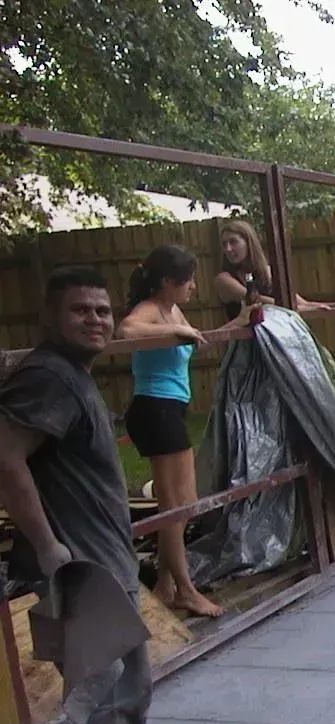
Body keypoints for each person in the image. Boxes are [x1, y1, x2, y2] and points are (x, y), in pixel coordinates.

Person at [0, 266, 167, 724]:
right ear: (49, 316)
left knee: (115, 676)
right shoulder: (50, 377)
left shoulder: (69, 373)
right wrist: (50, 548)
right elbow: (5, 458)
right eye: (79, 310)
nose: (95, 319)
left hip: (99, 553)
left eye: (102, 310)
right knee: (110, 679)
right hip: (83, 563)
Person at [117, 244, 247, 618]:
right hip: (154, 409)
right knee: (176, 506)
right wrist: (174, 328)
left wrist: (237, 325)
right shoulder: (150, 310)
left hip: (171, 409)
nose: (193, 287)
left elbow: (197, 340)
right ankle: (185, 591)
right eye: (188, 280)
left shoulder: (173, 309)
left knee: (183, 504)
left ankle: (165, 583)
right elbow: (126, 330)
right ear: (167, 282)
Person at [213, 219, 335, 319]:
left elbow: (299, 303)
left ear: (249, 242)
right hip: (247, 349)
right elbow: (257, 300)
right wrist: (300, 308)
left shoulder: (268, 272)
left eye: (233, 242)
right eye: (224, 244)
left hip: (278, 341)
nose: (228, 248)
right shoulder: (224, 279)